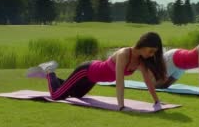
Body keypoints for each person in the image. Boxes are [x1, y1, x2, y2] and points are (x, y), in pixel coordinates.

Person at [26, 32, 166, 111]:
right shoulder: (124, 53)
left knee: (75, 94)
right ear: (143, 44)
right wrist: (121, 106)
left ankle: (63, 82)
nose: (152, 55)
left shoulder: (141, 61)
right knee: (57, 95)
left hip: (92, 80)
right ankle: (49, 70)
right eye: (151, 51)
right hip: (87, 71)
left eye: (155, 52)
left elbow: (147, 81)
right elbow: (119, 82)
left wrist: (156, 101)